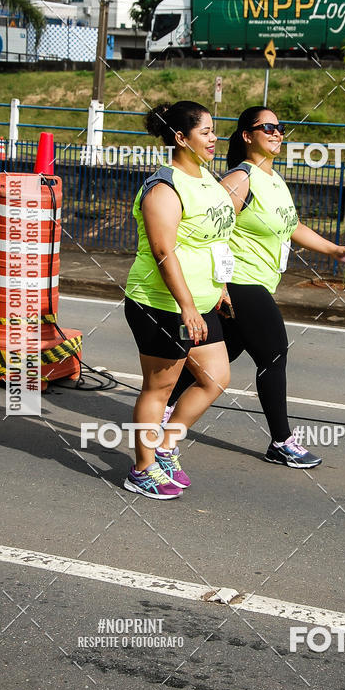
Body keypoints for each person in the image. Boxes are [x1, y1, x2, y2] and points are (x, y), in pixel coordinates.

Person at [166, 105, 345, 469]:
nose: (276, 132)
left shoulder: (273, 179)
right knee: (274, 353)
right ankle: (282, 441)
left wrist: (334, 250)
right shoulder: (239, 179)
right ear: (247, 136)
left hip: (260, 283)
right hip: (239, 282)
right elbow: (213, 229)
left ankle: (164, 406)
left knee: (221, 357)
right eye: (266, 127)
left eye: (279, 127)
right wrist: (218, 283)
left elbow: (291, 226)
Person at [123, 101, 236, 499]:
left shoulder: (208, 178)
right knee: (159, 389)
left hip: (202, 302)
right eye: (205, 132)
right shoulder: (163, 187)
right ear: (180, 137)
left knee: (215, 378)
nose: (213, 138)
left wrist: (220, 286)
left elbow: (217, 239)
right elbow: (163, 251)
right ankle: (142, 467)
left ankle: (166, 446)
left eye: (213, 130)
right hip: (161, 304)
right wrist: (188, 306)